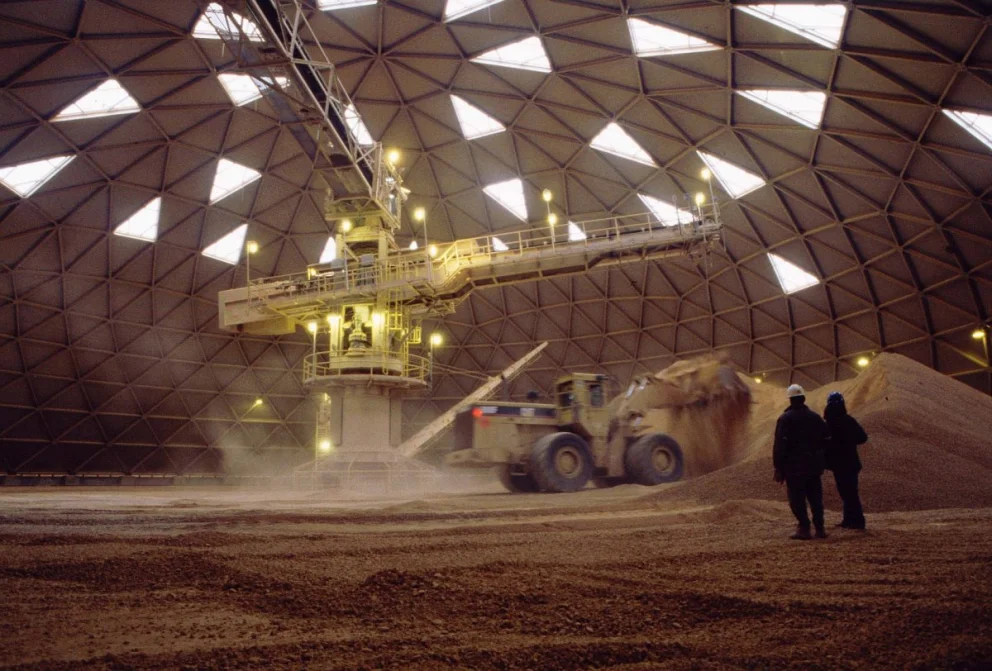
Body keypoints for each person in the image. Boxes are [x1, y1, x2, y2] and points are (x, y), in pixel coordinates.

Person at [773, 384, 830, 540]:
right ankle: (820, 528)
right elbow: (826, 439)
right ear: (804, 398)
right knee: (816, 497)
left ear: (790, 400)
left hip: (794, 467)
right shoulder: (815, 417)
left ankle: (804, 527)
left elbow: (779, 446)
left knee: (797, 498)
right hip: (813, 465)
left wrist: (778, 467)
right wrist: (822, 459)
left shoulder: (785, 419)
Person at [823, 391, 869, 530]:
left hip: (838, 464)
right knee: (849, 491)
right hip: (850, 462)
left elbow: (823, 443)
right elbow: (862, 437)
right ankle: (849, 520)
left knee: (847, 492)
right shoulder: (848, 420)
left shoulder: (829, 423)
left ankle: (858, 521)